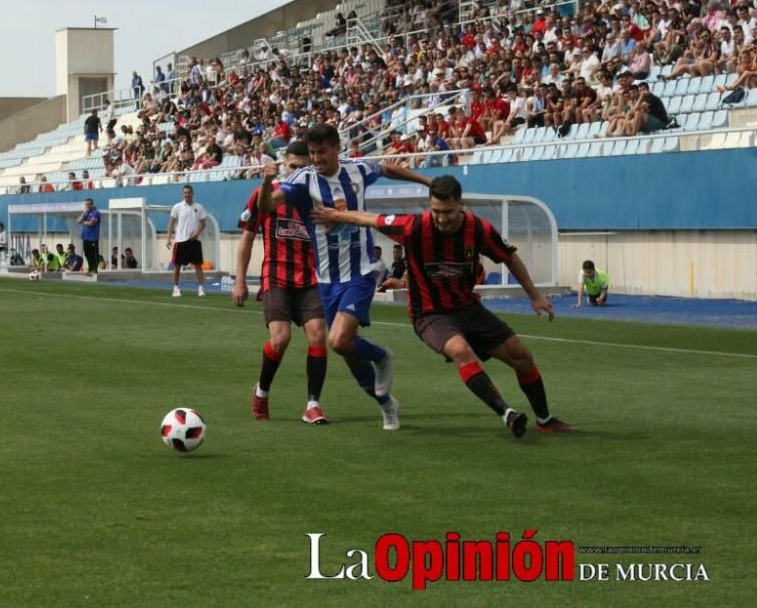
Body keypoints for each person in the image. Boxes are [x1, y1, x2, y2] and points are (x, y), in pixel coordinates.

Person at [311, 175, 577, 438]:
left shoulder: (479, 229)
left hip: (468, 309)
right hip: (429, 313)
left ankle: (545, 419)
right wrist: (335, 216)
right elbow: (368, 219)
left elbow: (509, 258)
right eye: (435, 211)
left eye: (447, 211)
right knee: (461, 350)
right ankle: (506, 413)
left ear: (461, 204)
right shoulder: (414, 227)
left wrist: (535, 296)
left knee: (522, 357)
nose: (441, 218)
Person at [257, 123, 433, 431]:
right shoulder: (302, 180)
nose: (316, 158)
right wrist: (266, 181)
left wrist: (426, 182)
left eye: (321, 152)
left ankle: (382, 355)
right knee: (350, 353)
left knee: (337, 341)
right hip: (326, 279)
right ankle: (387, 405)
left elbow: (388, 169)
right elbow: (268, 205)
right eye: (312, 153)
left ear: (337, 148)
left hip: (361, 271)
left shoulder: (358, 169)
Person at [234, 140, 329, 424]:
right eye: (293, 167)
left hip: (311, 279)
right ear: (284, 167)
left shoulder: (317, 199)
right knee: (280, 339)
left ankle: (313, 404)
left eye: (304, 168)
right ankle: (262, 392)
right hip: (276, 277)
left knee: (318, 335)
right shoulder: (266, 196)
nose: (297, 172)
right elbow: (247, 238)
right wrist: (240, 280)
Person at [166, 184, 207, 297]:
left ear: (192, 193)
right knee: (177, 266)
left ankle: (200, 288)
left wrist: (196, 233)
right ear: (183, 194)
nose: (187, 194)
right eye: (185, 193)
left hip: (194, 241)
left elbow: (203, 224)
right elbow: (171, 224)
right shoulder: (177, 207)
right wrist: (168, 238)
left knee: (198, 265)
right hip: (180, 240)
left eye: (189, 192)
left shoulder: (199, 207)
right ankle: (175, 288)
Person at [76, 198, 101, 275]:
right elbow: (78, 221)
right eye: (86, 204)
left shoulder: (96, 213)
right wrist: (84, 213)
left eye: (89, 204)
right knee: (87, 254)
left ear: (92, 204)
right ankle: (90, 269)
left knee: (94, 254)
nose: (88, 206)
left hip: (93, 238)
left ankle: (95, 269)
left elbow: (91, 223)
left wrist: (83, 222)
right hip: (85, 237)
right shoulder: (86, 213)